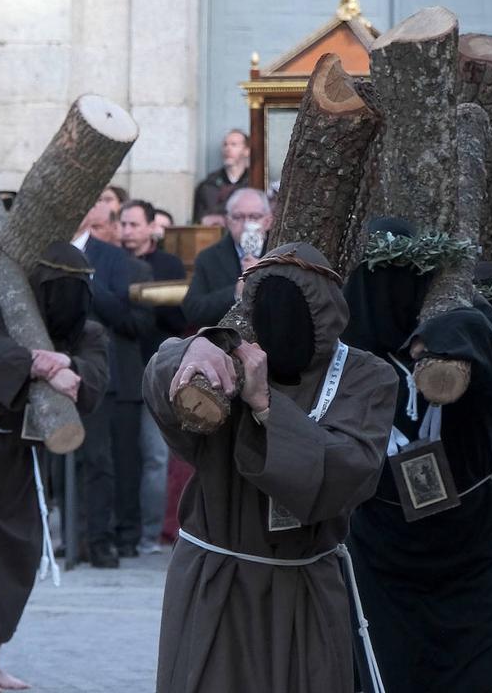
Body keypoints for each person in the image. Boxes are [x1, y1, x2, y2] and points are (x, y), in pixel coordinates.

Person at [143, 242, 398, 693]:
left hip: (306, 583)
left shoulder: (366, 376)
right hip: (216, 581)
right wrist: (194, 350)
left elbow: (347, 472)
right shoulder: (229, 359)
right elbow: (163, 373)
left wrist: (266, 405)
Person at [342, 220, 492, 692]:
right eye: (382, 275)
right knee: (387, 666)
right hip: (381, 542)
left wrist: (454, 331)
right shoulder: (349, 350)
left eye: (406, 275)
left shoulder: (465, 328)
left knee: (481, 668)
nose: (392, 292)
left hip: (473, 539)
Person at [0, 242, 109, 693]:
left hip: (18, 448)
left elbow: (96, 373)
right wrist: (35, 362)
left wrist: (65, 363)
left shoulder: (84, 332)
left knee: (18, 548)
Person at [74, 210, 154, 563]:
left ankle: (112, 536)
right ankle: (79, 535)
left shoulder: (113, 260)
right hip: (69, 372)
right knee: (78, 462)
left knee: (115, 461)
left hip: (114, 376)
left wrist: (86, 281)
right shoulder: (49, 251)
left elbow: (128, 318)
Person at [120, 199, 188, 554]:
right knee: (123, 455)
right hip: (122, 372)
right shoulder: (115, 261)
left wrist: (146, 298)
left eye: (134, 225)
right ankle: (126, 527)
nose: (127, 232)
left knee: (155, 455)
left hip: (156, 370)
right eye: (124, 224)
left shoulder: (167, 264)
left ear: (151, 228)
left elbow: (180, 316)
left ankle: (150, 532)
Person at [181, 187, 273, 328]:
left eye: (254, 217)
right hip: (226, 342)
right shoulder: (209, 258)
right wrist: (236, 292)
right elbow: (193, 310)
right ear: (228, 221)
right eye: (238, 217)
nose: (246, 224)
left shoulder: (279, 252)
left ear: (268, 221)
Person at [192, 129, 251, 223]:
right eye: (225, 145)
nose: (228, 149)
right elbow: (197, 221)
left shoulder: (255, 183)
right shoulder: (208, 184)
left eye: (234, 144)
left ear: (246, 151)